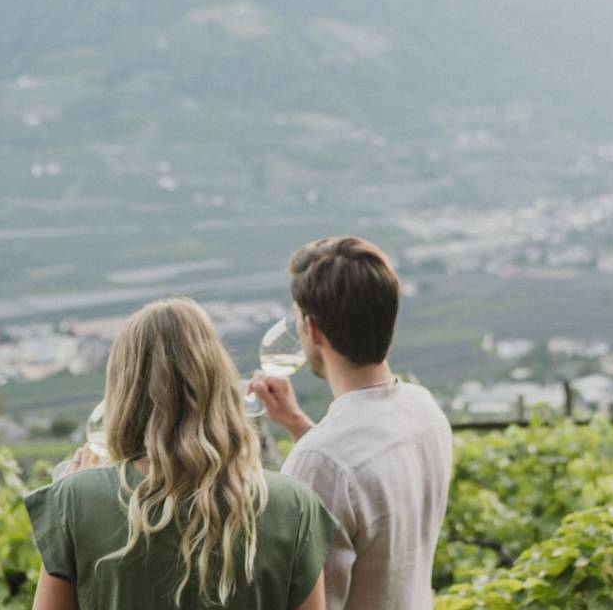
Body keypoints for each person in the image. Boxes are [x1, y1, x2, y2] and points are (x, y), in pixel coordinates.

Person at [25, 298, 337, 610]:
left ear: (124, 392)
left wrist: (72, 500)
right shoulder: (295, 507)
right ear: (219, 379)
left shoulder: (74, 501)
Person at [249, 236, 453, 610]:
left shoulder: (319, 462)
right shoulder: (424, 410)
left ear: (312, 329)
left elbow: (301, 600)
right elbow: (361, 472)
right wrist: (296, 422)